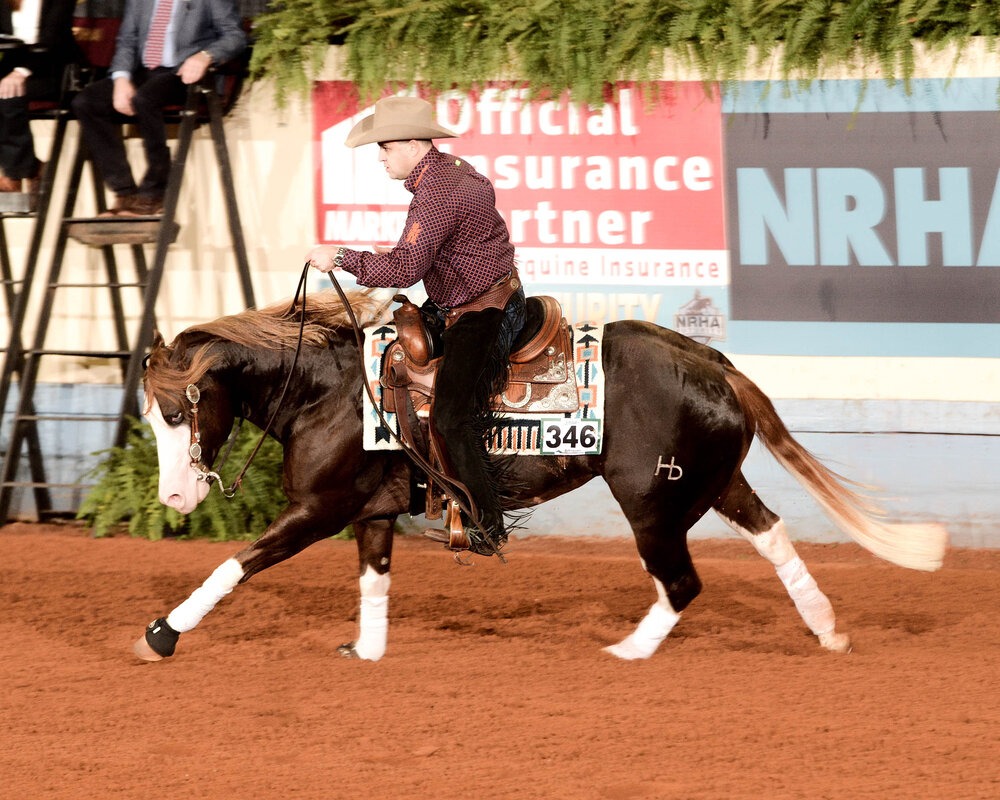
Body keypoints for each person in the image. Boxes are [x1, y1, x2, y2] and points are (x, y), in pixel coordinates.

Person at [307, 95, 526, 556]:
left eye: (385, 147)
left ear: (411, 144)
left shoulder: (437, 192)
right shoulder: (453, 171)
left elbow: (404, 269)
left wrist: (342, 256)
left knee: (450, 416)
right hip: (474, 296)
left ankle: (487, 525)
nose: (381, 157)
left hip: (483, 309)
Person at [70, 0, 246, 217]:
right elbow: (128, 40)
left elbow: (234, 36)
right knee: (86, 102)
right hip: (144, 70)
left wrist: (204, 56)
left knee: (145, 98)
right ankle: (124, 191)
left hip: (183, 72)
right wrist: (121, 78)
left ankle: (154, 191)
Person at [0, 0, 79, 199]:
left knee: (9, 95)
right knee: (7, 89)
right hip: (10, 65)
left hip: (48, 68)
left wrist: (21, 72)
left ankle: (13, 175)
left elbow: (54, 40)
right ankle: (32, 166)